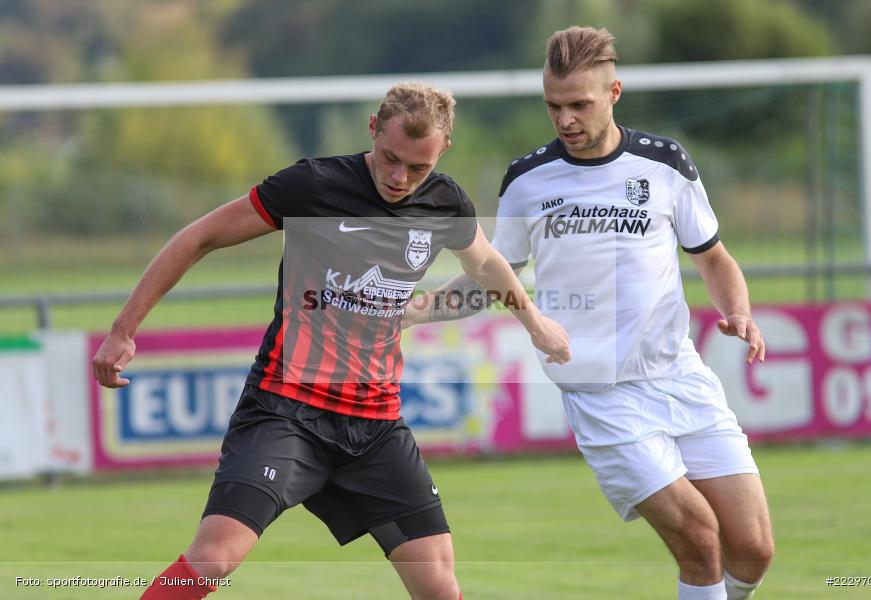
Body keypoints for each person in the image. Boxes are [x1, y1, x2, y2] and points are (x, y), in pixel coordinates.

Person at [92, 81, 570, 600]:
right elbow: (198, 236)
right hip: (286, 411)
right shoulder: (313, 186)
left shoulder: (445, 202)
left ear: (443, 151)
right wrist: (123, 330)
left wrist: (534, 322)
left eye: (418, 168)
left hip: (375, 425)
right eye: (390, 158)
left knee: (440, 589)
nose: (400, 177)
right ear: (372, 128)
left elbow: (486, 266)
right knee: (212, 560)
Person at [404, 27, 774, 600]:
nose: (565, 119)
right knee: (700, 537)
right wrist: (413, 310)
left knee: (752, 551)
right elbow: (491, 278)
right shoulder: (527, 181)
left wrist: (740, 312)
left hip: (681, 377)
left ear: (614, 93)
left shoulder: (666, 164)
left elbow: (714, 259)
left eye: (579, 104)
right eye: (554, 106)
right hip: (601, 394)